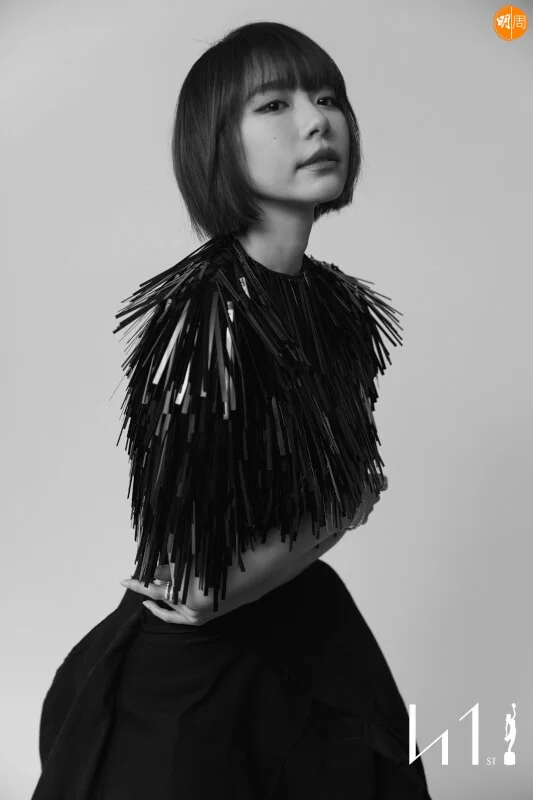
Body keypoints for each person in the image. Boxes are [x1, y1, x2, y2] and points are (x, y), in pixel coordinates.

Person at [31, 20, 433, 800]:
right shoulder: (203, 315)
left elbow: (342, 496)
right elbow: (198, 591)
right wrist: (341, 513)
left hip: (302, 636)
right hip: (192, 686)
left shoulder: (341, 307)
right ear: (218, 142)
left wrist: (333, 515)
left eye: (327, 98)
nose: (316, 121)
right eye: (274, 104)